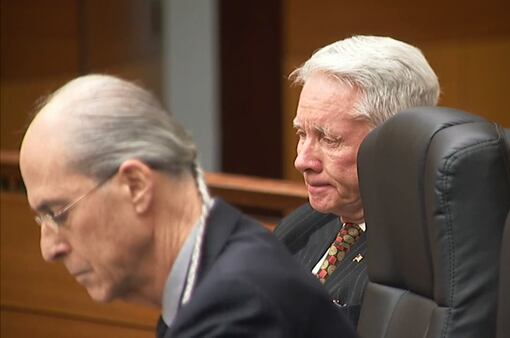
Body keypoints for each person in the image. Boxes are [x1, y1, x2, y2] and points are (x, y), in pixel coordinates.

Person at [19, 74, 357, 338]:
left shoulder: (239, 307)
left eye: (58, 213)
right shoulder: (216, 275)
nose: (50, 248)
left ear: (135, 186)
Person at [274, 35, 440, 326]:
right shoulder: (304, 223)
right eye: (302, 134)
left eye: (329, 139)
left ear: (396, 142)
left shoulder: (427, 258)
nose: (302, 161)